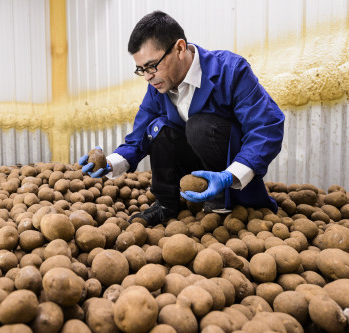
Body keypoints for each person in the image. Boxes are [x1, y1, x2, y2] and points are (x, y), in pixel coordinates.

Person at [79, 11, 284, 226]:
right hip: (189, 180)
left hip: (231, 175)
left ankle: (223, 203)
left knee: (199, 126)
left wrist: (230, 176)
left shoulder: (230, 70)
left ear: (179, 48)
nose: (148, 76)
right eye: (141, 70)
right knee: (157, 127)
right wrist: (110, 164)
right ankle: (168, 204)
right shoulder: (158, 86)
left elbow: (267, 127)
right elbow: (138, 137)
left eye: (151, 66)